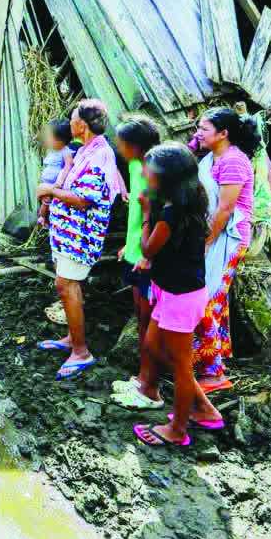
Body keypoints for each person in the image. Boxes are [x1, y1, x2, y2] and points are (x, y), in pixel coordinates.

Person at [131, 143, 222, 448]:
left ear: (166, 178)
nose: (144, 174)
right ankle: (204, 410)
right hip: (173, 291)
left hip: (181, 297)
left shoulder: (170, 213)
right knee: (156, 348)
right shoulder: (188, 199)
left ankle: (178, 430)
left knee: (181, 366)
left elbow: (147, 249)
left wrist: (145, 214)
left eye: (149, 170)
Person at [34, 99, 126, 381]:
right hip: (68, 235)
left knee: (66, 284)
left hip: (80, 237)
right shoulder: (88, 150)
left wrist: (51, 190)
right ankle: (72, 338)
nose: (69, 122)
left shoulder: (99, 156)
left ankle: (81, 351)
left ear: (81, 125)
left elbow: (85, 200)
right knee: (67, 284)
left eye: (73, 118)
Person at [192, 107, 258, 393]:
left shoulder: (233, 162)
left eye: (204, 129)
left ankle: (214, 373)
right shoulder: (212, 156)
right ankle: (210, 358)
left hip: (227, 237)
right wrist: (197, 141)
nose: (198, 133)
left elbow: (226, 208)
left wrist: (206, 242)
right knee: (213, 299)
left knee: (207, 301)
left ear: (223, 133)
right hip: (213, 234)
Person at [110, 116, 164, 409]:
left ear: (134, 145)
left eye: (121, 143)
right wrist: (129, 245)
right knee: (142, 320)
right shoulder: (134, 166)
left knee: (151, 323)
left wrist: (146, 254)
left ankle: (149, 389)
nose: (118, 147)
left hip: (148, 259)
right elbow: (138, 218)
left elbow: (157, 218)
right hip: (135, 253)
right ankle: (142, 378)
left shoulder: (157, 171)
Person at [37, 118, 75, 226]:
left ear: (59, 140)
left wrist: (59, 182)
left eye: (49, 137)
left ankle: (43, 219)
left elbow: (68, 166)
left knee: (46, 203)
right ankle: (43, 219)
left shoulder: (65, 151)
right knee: (44, 201)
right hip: (46, 183)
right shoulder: (52, 150)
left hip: (53, 185)